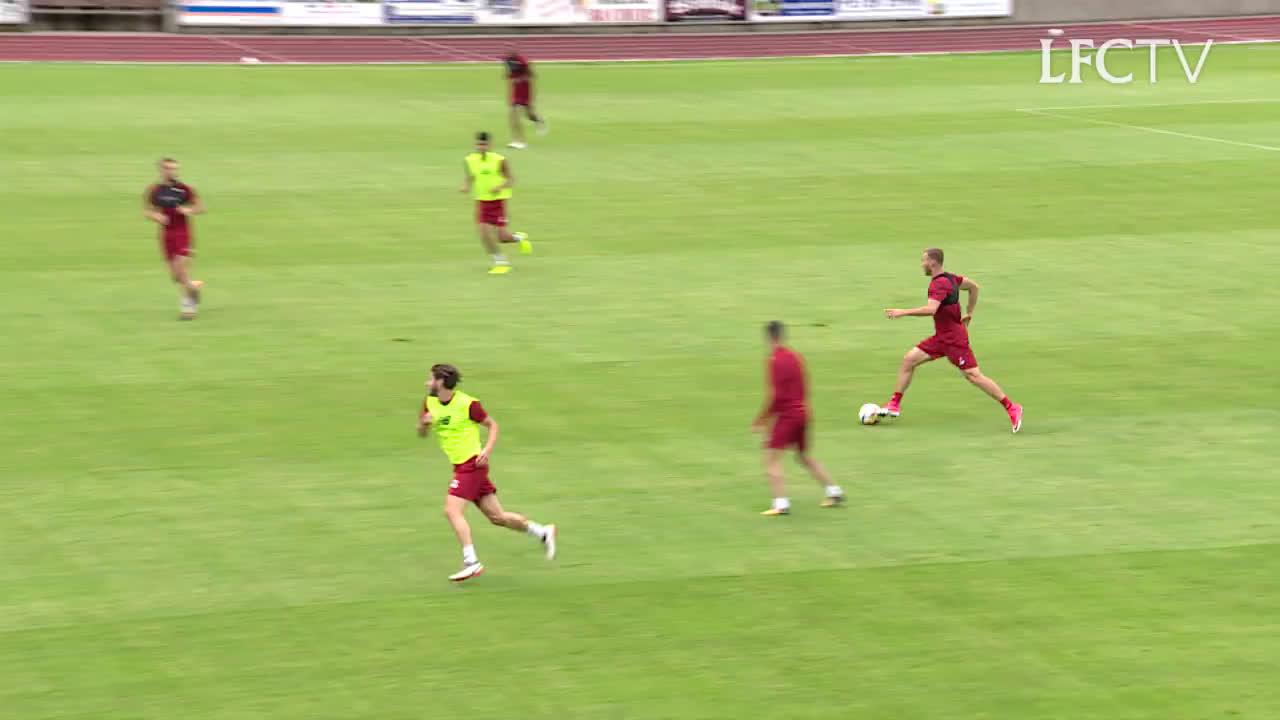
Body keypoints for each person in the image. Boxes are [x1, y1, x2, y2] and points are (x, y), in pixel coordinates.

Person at [417, 363, 557, 582]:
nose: (427, 383)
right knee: (497, 518)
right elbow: (421, 433)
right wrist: (424, 425)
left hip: (471, 465)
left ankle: (471, 561)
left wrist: (487, 450)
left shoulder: (468, 404)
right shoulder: (429, 402)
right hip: (462, 466)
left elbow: (492, 425)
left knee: (452, 511)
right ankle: (542, 532)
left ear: (441, 382)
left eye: (430, 379)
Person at [882, 248, 1024, 433]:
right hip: (941, 338)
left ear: (932, 262)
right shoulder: (952, 279)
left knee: (973, 376)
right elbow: (974, 287)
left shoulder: (938, 284)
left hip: (954, 340)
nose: (922, 265)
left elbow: (931, 309)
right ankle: (894, 404)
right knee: (909, 360)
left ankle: (1012, 407)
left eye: (924, 261)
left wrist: (903, 312)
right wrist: (969, 313)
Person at [751, 321, 844, 516]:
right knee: (803, 456)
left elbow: (776, 396)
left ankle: (780, 504)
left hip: (788, 416)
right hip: (803, 413)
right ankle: (834, 491)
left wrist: (762, 419)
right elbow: (804, 386)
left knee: (771, 458)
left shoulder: (774, 360)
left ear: (770, 338)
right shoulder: (795, 357)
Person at [460, 131, 532, 275]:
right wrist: (466, 186)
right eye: (479, 144)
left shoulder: (499, 160)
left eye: (484, 144)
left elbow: (511, 179)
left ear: (490, 145)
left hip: (497, 202)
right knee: (483, 233)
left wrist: (499, 187)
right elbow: (471, 176)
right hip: (482, 201)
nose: (481, 147)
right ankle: (500, 262)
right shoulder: (470, 160)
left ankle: (518, 238)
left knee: (502, 238)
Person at [143, 157, 205, 320]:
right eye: (168, 168)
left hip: (182, 233)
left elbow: (200, 207)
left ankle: (187, 310)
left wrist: (188, 210)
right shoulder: (154, 190)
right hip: (165, 235)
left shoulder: (184, 190)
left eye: (174, 168)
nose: (172, 171)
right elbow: (147, 210)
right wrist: (156, 216)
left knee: (182, 269)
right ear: (161, 170)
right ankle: (193, 287)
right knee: (176, 276)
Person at [503, 47, 547, 149]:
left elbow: (532, 75)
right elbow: (509, 75)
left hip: (525, 90)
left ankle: (539, 121)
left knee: (529, 115)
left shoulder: (523, 62)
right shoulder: (507, 61)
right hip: (516, 91)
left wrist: (520, 79)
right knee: (513, 114)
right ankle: (518, 141)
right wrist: (510, 79)